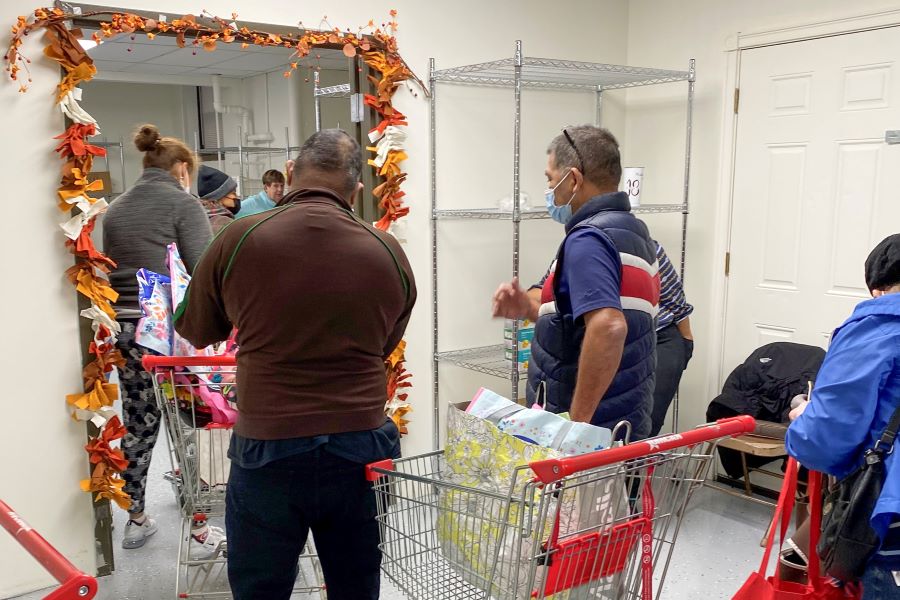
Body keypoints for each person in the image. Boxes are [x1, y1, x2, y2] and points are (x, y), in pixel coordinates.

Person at [174, 128, 417, 600]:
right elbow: (385, 345)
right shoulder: (388, 251)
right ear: (356, 190)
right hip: (360, 444)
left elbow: (196, 328)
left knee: (261, 589)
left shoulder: (239, 239)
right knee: (356, 585)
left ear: (289, 176)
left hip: (269, 445)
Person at [492, 126, 659, 440]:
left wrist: (576, 428)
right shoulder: (633, 233)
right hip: (625, 425)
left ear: (573, 179)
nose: (549, 190)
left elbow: (609, 326)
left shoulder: (588, 240)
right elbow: (569, 308)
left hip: (590, 440)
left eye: (550, 179)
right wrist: (526, 305)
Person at [102, 124, 213, 550]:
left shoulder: (116, 208)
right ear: (182, 169)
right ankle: (198, 519)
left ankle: (135, 516)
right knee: (188, 422)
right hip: (170, 335)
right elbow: (203, 272)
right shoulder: (184, 204)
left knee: (139, 421)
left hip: (126, 331)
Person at [786, 234, 900, 598]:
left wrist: (803, 417)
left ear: (877, 287)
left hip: (889, 516)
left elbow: (823, 440)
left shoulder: (880, 326)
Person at [648, 241, 693, 436]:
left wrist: (686, 343)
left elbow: (675, 299)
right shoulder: (577, 246)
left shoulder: (649, 248)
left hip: (661, 337)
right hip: (611, 344)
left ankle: (639, 466)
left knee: (649, 422)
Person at [197, 164, 241, 234]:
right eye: (233, 193)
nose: (237, 197)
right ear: (219, 196)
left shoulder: (198, 217)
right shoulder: (223, 223)